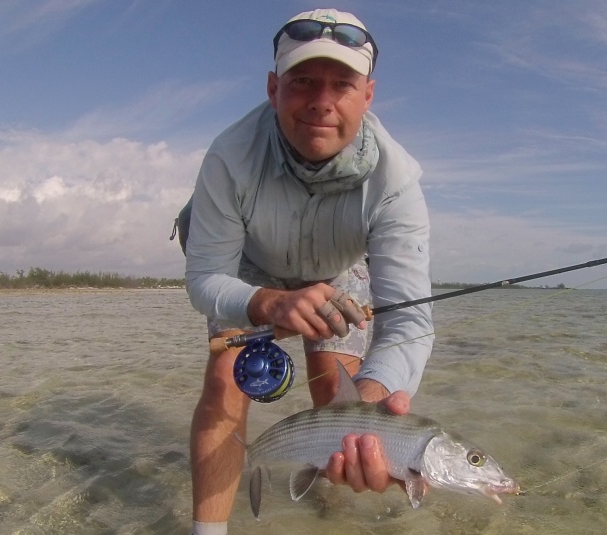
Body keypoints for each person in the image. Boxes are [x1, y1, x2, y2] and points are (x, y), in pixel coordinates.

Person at [184, 8, 434, 535]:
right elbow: (205, 278)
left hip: (339, 271)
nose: (321, 100)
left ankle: (329, 511)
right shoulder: (229, 157)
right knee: (225, 384)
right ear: (274, 88)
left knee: (337, 394)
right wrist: (267, 303)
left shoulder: (398, 180)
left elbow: (410, 324)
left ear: (367, 96)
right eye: (302, 82)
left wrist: (367, 415)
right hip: (248, 271)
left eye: (342, 84)